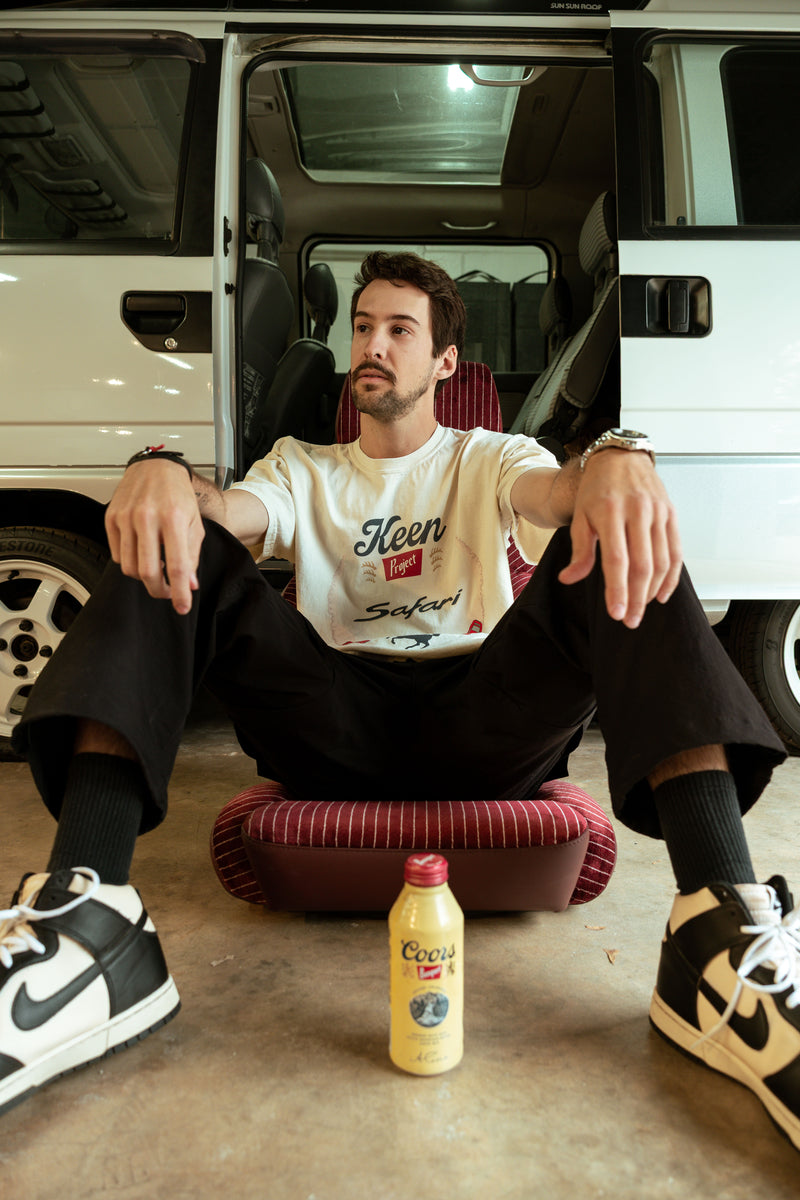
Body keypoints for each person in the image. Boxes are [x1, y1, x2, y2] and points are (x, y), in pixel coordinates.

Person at [0, 252, 797, 1149]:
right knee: (168, 535)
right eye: (362, 326)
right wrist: (161, 472)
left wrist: (619, 459)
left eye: (399, 330)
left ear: (445, 363)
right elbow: (227, 515)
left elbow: (558, 493)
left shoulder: (490, 455)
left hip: (484, 713)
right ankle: (86, 922)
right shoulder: (302, 465)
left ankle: (723, 935)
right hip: (333, 716)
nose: (372, 345)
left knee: (613, 533)